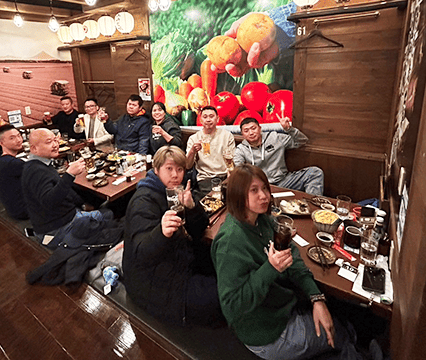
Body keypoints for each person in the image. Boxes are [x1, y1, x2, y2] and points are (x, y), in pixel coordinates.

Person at [211, 164, 361, 360]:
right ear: (238, 195)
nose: (264, 196)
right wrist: (270, 269)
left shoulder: (262, 219)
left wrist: (316, 297)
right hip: (265, 332)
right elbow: (232, 308)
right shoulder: (231, 242)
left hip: (281, 306)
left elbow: (292, 253)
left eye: (264, 188)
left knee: (336, 313)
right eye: (254, 190)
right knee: (338, 334)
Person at [123, 146, 223, 326]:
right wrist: (161, 232)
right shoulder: (143, 200)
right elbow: (141, 253)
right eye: (169, 168)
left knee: (221, 262)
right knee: (221, 299)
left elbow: (198, 230)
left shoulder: (176, 192)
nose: (175, 175)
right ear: (156, 170)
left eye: (180, 169)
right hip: (152, 282)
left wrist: (191, 207)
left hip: (177, 258)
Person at [21, 128, 91, 248]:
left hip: (61, 218)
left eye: (55, 140)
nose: (55, 145)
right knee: (107, 215)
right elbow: (49, 201)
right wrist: (69, 175)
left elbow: (64, 191)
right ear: (34, 148)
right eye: (49, 142)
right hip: (56, 229)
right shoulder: (35, 171)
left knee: (98, 209)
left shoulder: (41, 164)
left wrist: (83, 204)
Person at [234, 116, 324, 195]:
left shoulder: (275, 138)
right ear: (243, 134)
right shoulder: (241, 149)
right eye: (246, 131)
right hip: (261, 187)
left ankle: (313, 206)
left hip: (284, 182)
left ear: (260, 128)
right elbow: (238, 168)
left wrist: (289, 129)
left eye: (253, 128)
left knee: (314, 172)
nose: (251, 133)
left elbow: (302, 141)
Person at [186, 106, 235, 195]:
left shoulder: (227, 136)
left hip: (225, 176)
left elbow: (232, 161)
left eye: (211, 116)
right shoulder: (194, 138)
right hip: (205, 178)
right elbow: (187, 165)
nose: (208, 120)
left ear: (217, 119)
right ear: (201, 120)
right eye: (205, 117)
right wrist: (193, 151)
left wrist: (230, 176)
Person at [0, 124, 29, 220]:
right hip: (22, 211)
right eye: (12, 138)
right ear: (1, 143)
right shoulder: (12, 163)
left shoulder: (3, 160)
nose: (18, 140)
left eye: (19, 136)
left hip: (14, 209)